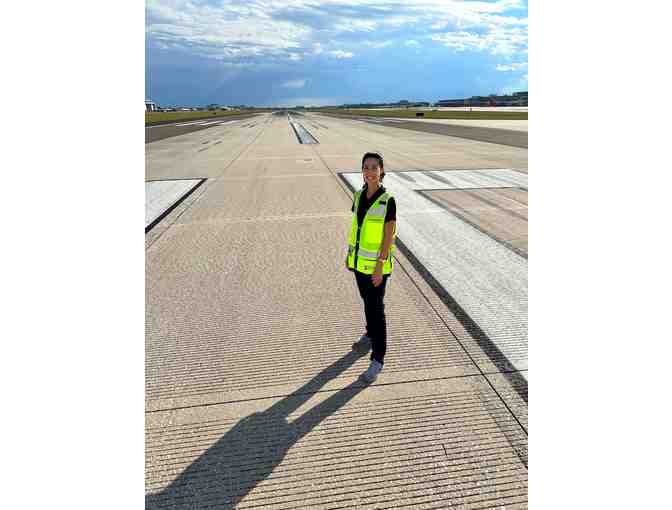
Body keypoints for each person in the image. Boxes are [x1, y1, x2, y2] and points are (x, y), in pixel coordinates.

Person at [345, 152, 397, 383]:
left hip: (377, 267)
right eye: (366, 167)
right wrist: (350, 257)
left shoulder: (388, 200)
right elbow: (357, 230)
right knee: (367, 304)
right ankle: (369, 334)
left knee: (377, 311)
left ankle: (378, 359)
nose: (370, 171)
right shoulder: (357, 196)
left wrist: (379, 267)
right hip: (358, 264)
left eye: (374, 167)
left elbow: (388, 237)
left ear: (382, 171)